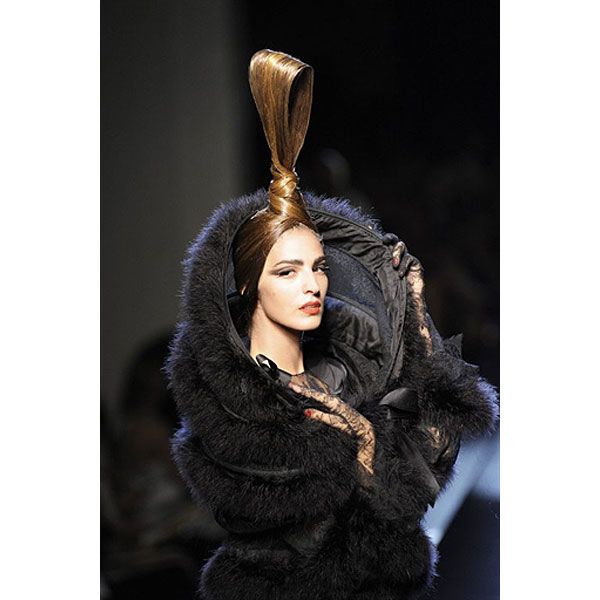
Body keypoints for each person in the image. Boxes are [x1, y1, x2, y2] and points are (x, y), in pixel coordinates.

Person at [165, 49, 498, 600]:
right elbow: (267, 515)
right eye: (288, 271)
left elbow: (424, 476)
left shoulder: (351, 368)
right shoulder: (224, 397)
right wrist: (363, 449)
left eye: (319, 267)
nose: (313, 284)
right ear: (247, 285)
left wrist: (413, 316)